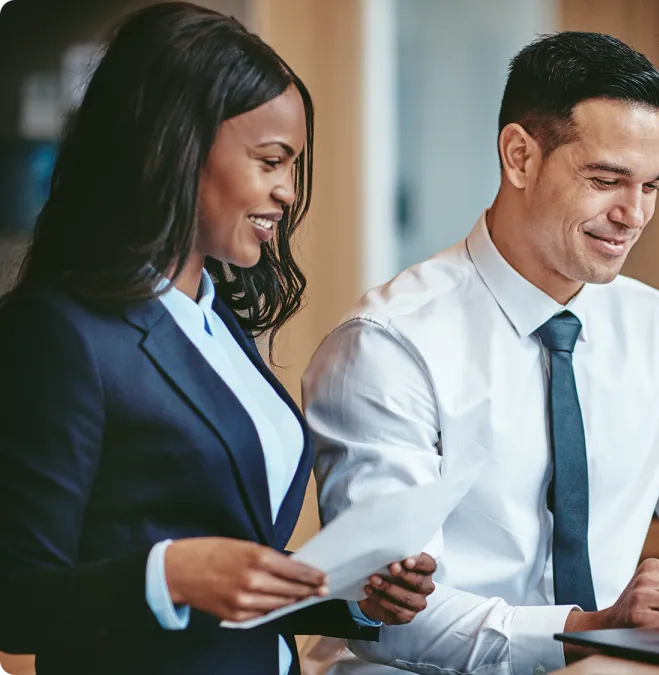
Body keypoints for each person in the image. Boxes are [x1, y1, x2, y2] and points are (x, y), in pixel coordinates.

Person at [302, 31, 659, 674]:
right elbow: (396, 621)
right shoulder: (388, 345)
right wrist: (587, 630)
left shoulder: (657, 328)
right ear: (520, 157)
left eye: (651, 186)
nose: (634, 214)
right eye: (607, 180)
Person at [0, 4, 435, 673]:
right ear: (175, 147)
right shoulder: (59, 335)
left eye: (294, 166)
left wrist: (348, 591)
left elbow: (233, 565)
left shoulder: (216, 321)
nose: (288, 192)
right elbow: (17, 597)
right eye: (270, 160)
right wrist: (168, 572)